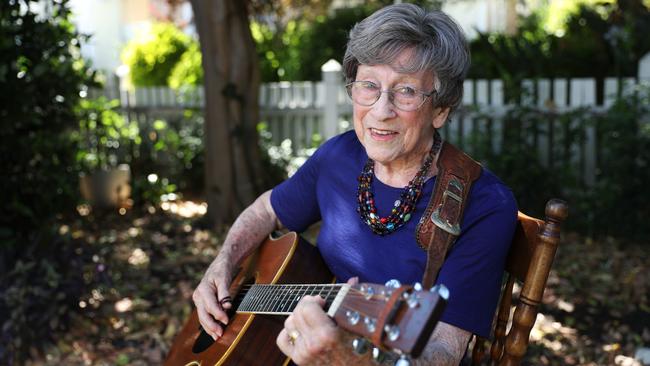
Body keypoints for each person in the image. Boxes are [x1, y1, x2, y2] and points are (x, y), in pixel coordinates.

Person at [192, 3, 518, 365]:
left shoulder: (483, 204)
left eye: (406, 91)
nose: (381, 110)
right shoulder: (339, 156)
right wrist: (223, 262)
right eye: (368, 86)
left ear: (441, 109)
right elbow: (267, 208)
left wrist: (350, 359)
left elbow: (443, 351)